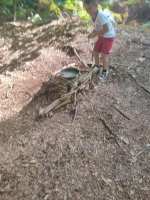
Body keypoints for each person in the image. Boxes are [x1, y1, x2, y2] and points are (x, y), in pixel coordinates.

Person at [84, 0, 115, 80]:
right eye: (86, 9)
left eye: (90, 8)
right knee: (95, 51)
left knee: (104, 54)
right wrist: (92, 33)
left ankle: (105, 71)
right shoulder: (92, 16)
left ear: (96, 6)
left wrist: (96, 33)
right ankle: (97, 67)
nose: (88, 11)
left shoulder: (101, 16)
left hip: (108, 36)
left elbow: (107, 28)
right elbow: (96, 28)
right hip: (101, 36)